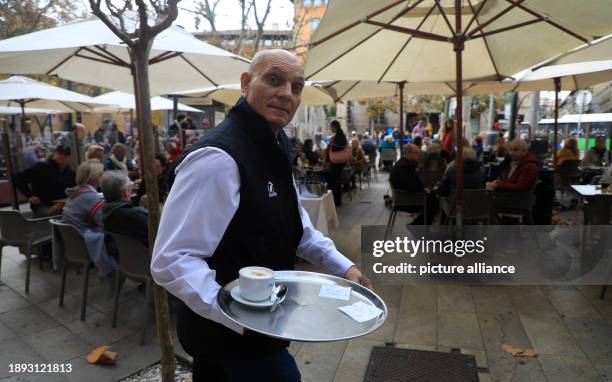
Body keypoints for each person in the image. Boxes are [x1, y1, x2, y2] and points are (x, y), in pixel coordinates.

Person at [150, 49, 369, 382]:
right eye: (274, 79)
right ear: (245, 83)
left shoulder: (276, 144)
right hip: (229, 343)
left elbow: (298, 226)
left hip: (264, 335)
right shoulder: (218, 158)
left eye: (296, 87)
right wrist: (240, 316)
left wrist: (345, 267)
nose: (286, 93)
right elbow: (171, 260)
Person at [62, 160, 116, 275]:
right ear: (95, 177)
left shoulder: (76, 193)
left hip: (74, 242)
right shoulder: (88, 197)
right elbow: (105, 222)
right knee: (122, 237)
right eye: (101, 173)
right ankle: (121, 270)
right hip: (85, 244)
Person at [15, 145, 76, 217]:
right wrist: (29, 195)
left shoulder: (70, 172)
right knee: (52, 215)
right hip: (43, 204)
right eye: (60, 153)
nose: (63, 156)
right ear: (54, 153)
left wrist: (63, 203)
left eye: (66, 154)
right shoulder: (42, 167)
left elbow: (74, 190)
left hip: (63, 204)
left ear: (69, 157)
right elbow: (19, 178)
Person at [389, 143, 436, 225]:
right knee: (434, 200)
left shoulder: (402, 163)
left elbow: (410, 183)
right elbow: (410, 186)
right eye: (416, 153)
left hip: (401, 198)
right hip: (406, 201)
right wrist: (424, 190)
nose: (418, 155)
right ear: (408, 153)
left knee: (433, 198)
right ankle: (417, 226)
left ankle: (417, 225)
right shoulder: (405, 166)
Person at [101, 171, 149, 247]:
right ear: (125, 192)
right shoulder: (133, 216)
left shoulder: (102, 211)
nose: (131, 191)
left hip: (118, 256)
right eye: (130, 188)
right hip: (145, 256)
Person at [326, 120, 352, 206]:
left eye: (331, 127)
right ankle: (336, 201)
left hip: (337, 163)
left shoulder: (339, 135)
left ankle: (336, 201)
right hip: (339, 162)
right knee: (336, 181)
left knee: (335, 182)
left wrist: (331, 144)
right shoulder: (340, 135)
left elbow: (337, 148)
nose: (330, 128)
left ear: (335, 126)